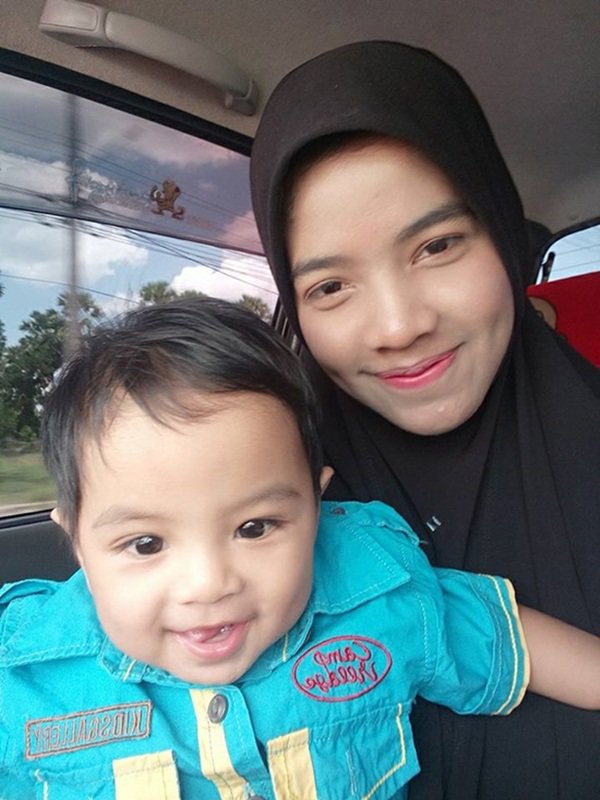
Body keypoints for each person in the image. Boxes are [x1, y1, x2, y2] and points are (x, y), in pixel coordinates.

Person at [0, 298, 598, 800]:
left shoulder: (380, 600)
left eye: (255, 528)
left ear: (317, 507)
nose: (209, 584)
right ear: (77, 540)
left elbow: (509, 640)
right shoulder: (20, 676)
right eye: (146, 543)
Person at [249, 41, 600, 799]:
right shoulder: (248, 512)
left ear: (503, 236)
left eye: (437, 246)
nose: (399, 325)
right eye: (330, 286)